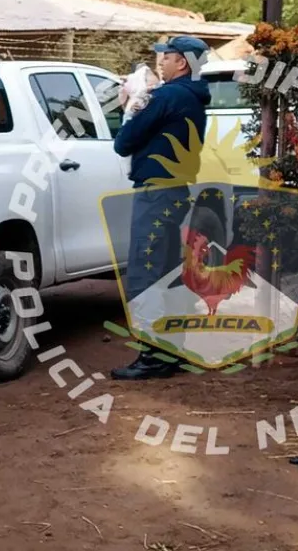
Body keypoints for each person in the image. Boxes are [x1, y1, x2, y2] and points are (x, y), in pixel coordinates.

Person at [111, 36, 212, 381]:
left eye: (166, 57)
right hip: (177, 190)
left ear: (182, 62)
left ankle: (153, 356)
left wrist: (130, 107)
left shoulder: (166, 96)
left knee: (147, 270)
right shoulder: (194, 97)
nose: (160, 62)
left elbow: (124, 142)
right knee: (170, 270)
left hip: (155, 192)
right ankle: (172, 350)